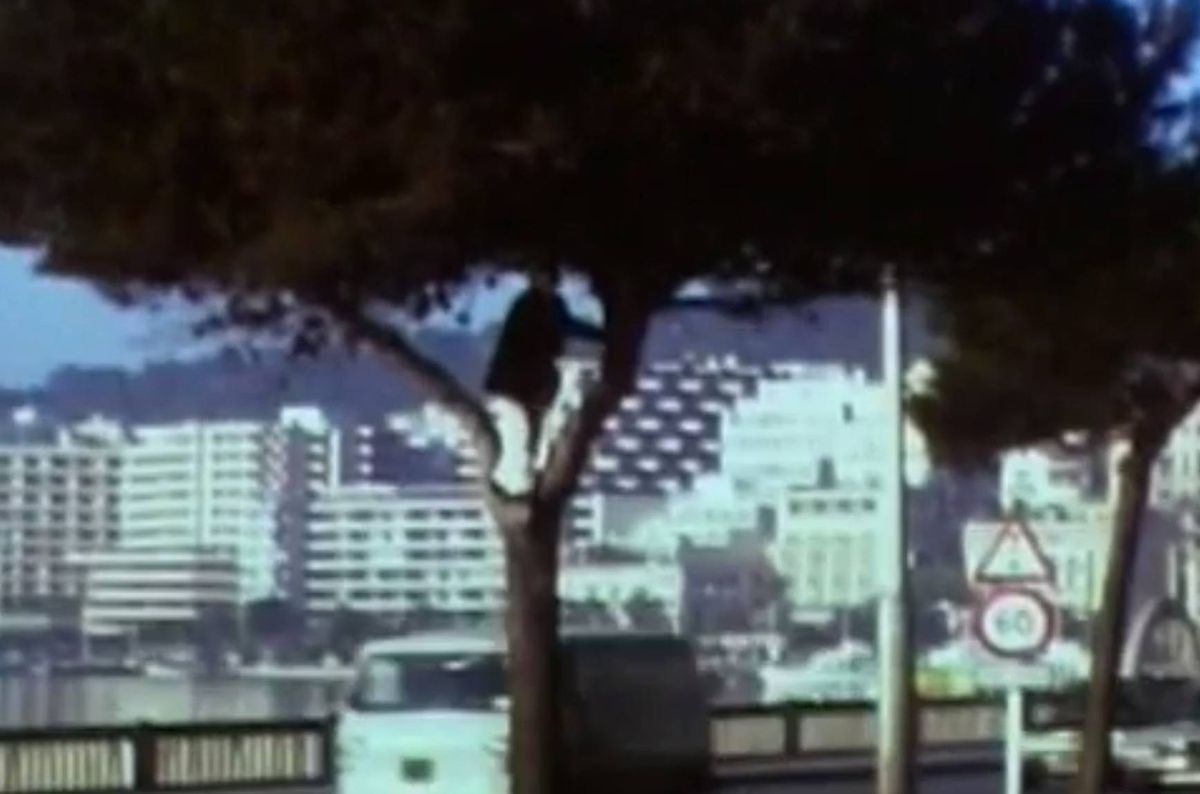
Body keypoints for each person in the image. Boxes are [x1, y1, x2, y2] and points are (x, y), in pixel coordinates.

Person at [484, 272, 602, 494]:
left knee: (532, 439)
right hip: (516, 388)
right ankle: (517, 486)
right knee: (519, 439)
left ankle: (526, 484)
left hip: (531, 387)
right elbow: (566, 328)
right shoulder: (530, 305)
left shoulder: (547, 304)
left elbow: (567, 328)